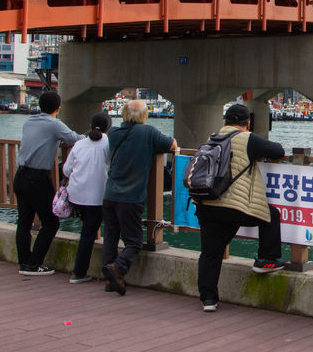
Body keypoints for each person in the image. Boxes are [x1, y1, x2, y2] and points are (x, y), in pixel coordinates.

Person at [196, 103, 287, 312]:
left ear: (226, 121)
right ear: (248, 123)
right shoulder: (247, 139)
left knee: (210, 252)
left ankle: (208, 299)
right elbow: (277, 151)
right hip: (234, 206)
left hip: (207, 202)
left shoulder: (213, 137)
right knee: (270, 215)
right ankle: (266, 260)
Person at [102, 99, 177, 295]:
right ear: (144, 115)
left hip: (110, 194)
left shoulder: (113, 133)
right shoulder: (148, 132)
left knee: (110, 236)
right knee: (134, 241)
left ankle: (111, 279)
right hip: (131, 196)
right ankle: (118, 268)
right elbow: (172, 144)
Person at [13, 91, 84, 275]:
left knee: (24, 221)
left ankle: (24, 262)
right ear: (58, 108)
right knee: (51, 222)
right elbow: (74, 139)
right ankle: (34, 264)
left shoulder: (29, 122)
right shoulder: (54, 124)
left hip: (20, 175)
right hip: (37, 177)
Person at [62, 112, 112, 284]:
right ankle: (79, 272)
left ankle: (81, 271)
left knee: (87, 230)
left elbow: (66, 170)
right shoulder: (109, 143)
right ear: (108, 127)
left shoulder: (79, 143)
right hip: (97, 196)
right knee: (91, 234)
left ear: (91, 126)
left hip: (76, 194)